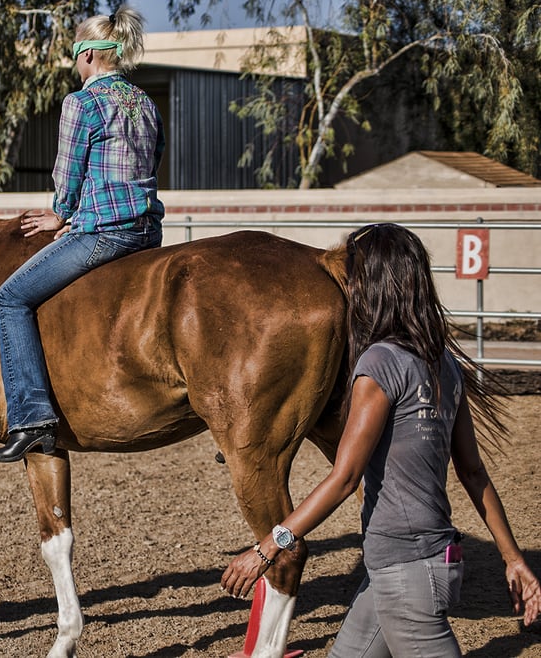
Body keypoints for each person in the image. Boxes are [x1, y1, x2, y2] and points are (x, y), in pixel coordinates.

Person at [220, 223, 541, 656]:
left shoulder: (380, 362)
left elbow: (345, 478)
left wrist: (266, 549)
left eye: (351, 275)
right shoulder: (442, 361)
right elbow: (473, 471)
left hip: (405, 576)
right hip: (408, 565)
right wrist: (513, 558)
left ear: (370, 285)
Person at [0, 6, 166, 463]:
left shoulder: (81, 103)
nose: (74, 63)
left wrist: (59, 214)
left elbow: (68, 175)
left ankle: (30, 417)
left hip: (104, 233)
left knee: (8, 299)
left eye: (75, 54)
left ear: (88, 54)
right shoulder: (146, 103)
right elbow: (152, 164)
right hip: (148, 233)